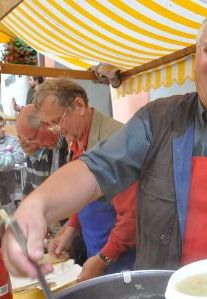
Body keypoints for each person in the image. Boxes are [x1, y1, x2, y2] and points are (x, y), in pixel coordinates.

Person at [2, 3, 207, 298]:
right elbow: (94, 170)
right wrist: (37, 205)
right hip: (158, 294)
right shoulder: (157, 119)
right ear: (197, 56)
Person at [36, 79, 137, 281]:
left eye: (57, 121)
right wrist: (70, 231)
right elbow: (86, 196)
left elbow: (131, 219)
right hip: (99, 253)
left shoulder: (114, 142)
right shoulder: (77, 140)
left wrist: (102, 260)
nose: (55, 130)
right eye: (49, 124)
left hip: (124, 261)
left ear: (79, 106)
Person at [16, 104, 68, 198]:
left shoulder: (67, 142)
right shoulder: (52, 146)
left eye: (32, 138)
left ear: (46, 123)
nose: (37, 144)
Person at [0, 115, 25, 213]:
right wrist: (8, 154)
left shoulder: (12, 140)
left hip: (9, 190)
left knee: (9, 218)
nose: (3, 129)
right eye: (0, 127)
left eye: (3, 126)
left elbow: (21, 156)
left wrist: (5, 159)